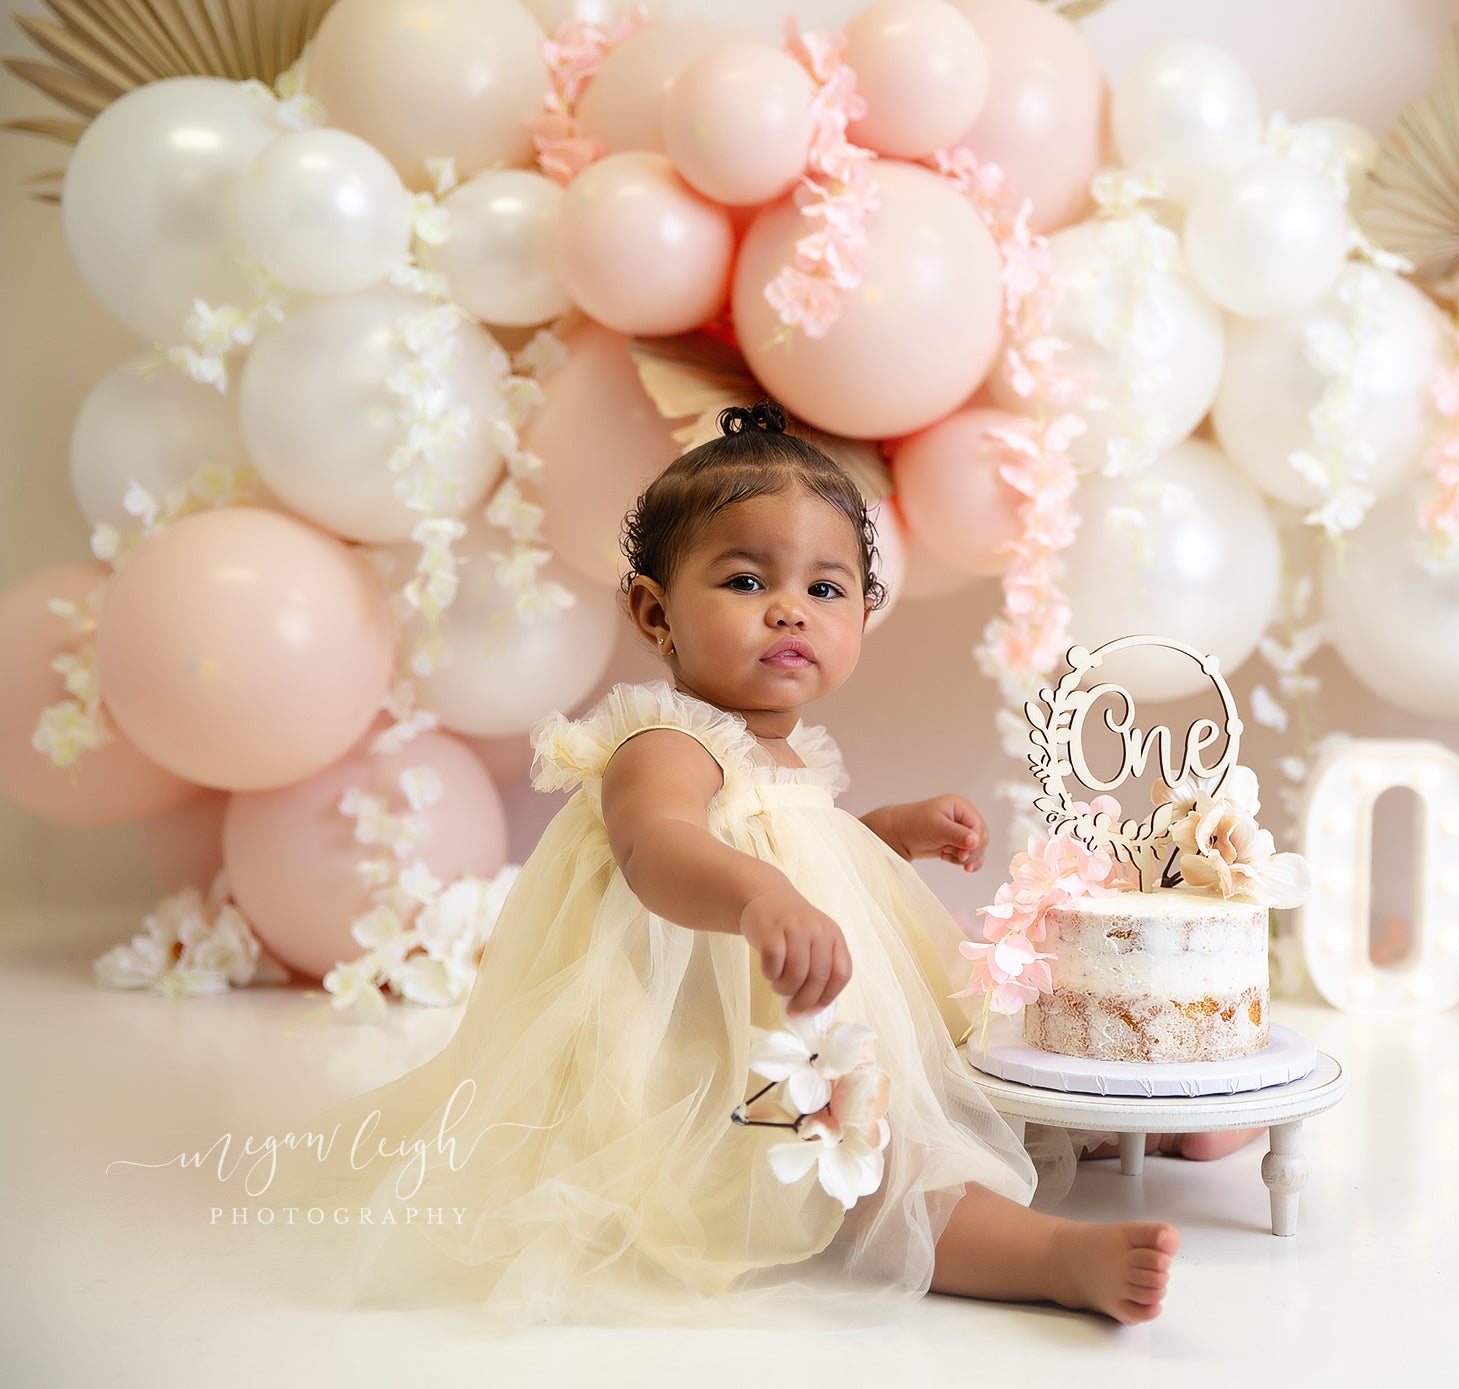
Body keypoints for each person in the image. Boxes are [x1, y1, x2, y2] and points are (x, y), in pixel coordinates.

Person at [259, 403, 1178, 1330]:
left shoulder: (791, 756)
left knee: (963, 1075)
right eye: (745, 579)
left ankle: (1129, 1121)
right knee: (860, 1160)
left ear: (865, 610)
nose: (789, 608)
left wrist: (887, 832)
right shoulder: (661, 742)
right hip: (710, 1045)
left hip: (802, 1010)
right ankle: (1050, 1258)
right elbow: (660, 849)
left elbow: (796, 841)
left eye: (826, 590)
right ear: (656, 612)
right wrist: (755, 896)